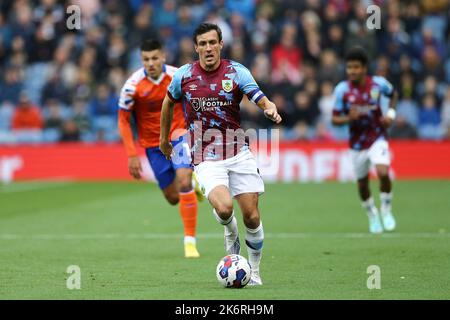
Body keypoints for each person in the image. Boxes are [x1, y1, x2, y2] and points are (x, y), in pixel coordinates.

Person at [159, 23, 282, 285]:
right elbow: (168, 102)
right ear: (196, 48)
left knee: (252, 215)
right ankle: (229, 230)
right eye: (202, 43)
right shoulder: (184, 75)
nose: (208, 48)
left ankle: (255, 272)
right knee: (225, 208)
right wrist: (163, 139)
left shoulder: (237, 72)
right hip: (204, 155)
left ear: (220, 44)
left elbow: (259, 96)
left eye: (212, 42)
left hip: (238, 151)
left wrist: (269, 107)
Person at [118, 39, 202, 258]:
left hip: (178, 135)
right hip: (153, 145)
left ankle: (189, 242)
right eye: (146, 59)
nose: (151, 63)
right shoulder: (132, 86)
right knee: (173, 197)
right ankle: (193, 185)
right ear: (141, 60)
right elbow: (123, 121)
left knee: (183, 180)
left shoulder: (177, 76)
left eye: (155, 58)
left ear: (163, 57)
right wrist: (131, 154)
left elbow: (195, 101)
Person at [332, 46, 397, 234]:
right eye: (349, 67)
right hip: (357, 143)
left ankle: (386, 208)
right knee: (362, 184)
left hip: (377, 136)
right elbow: (334, 119)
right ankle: (372, 214)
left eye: (356, 67)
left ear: (365, 68)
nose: (352, 71)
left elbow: (393, 95)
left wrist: (390, 114)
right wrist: (348, 118)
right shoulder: (342, 90)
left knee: (383, 172)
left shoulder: (378, 84)